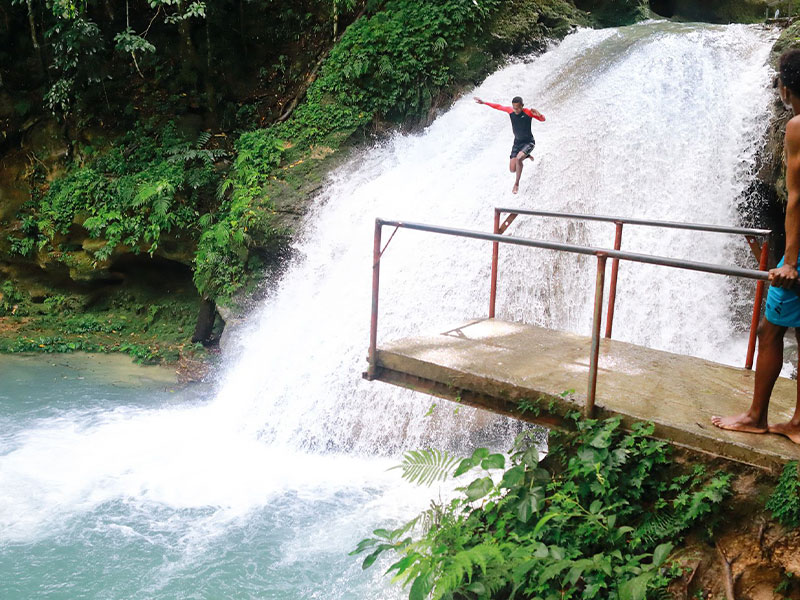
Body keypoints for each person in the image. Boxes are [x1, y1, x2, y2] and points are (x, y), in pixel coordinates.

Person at [712, 49, 800, 444]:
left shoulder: (797, 126)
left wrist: (791, 262)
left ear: (786, 86)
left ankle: (756, 417)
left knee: (770, 330)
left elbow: (796, 197)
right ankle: (798, 422)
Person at [474, 96, 545, 194]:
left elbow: (543, 120)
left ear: (522, 106)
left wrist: (539, 115)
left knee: (519, 158)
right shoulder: (510, 111)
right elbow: (498, 106)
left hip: (529, 142)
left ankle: (516, 184)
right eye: (514, 107)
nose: (515, 110)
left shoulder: (528, 112)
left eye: (517, 108)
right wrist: (484, 102)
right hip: (517, 143)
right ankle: (526, 155)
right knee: (512, 169)